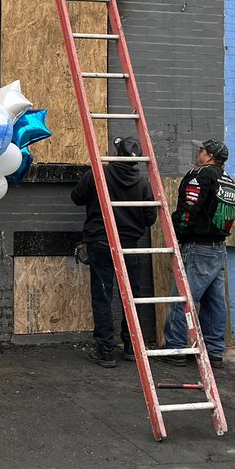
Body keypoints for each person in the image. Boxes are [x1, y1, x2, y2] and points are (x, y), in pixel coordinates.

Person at [71, 136, 158, 368]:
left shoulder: (99, 175)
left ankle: (106, 349)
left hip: (101, 242)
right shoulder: (142, 183)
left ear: (116, 154)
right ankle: (131, 346)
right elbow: (150, 217)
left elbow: (76, 198)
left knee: (102, 296)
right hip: (129, 244)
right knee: (130, 296)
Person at [161, 138, 234, 367]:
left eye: (201, 150)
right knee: (215, 302)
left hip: (198, 247)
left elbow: (188, 210)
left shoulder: (201, 176)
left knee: (182, 299)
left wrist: (178, 231)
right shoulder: (228, 181)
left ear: (210, 156)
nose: (198, 153)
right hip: (218, 248)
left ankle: (176, 349)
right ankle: (214, 351)